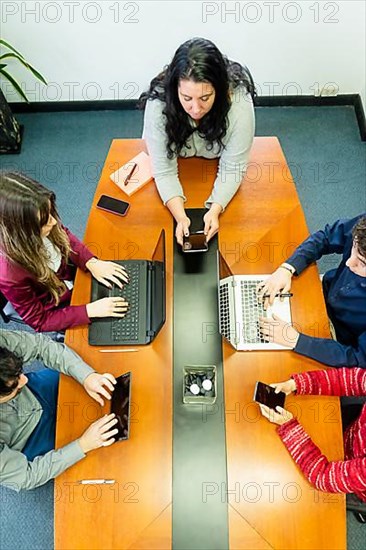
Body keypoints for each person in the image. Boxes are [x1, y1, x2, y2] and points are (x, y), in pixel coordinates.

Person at [140, 37, 256, 245]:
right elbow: (164, 170)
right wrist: (180, 217)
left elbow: (233, 167)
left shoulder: (239, 101)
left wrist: (215, 209)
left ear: (221, 91)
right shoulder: (159, 103)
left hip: (214, 161)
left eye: (205, 98)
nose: (195, 109)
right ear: (175, 90)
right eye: (186, 98)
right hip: (179, 163)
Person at [0, 171, 129, 333]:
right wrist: (89, 311)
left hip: (74, 279)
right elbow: (40, 321)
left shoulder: (44, 222)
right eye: (45, 221)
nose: (54, 222)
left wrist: (91, 262)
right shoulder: (9, 274)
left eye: (51, 213)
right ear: (21, 232)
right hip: (60, 308)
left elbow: (64, 235)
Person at [0, 329, 119, 491]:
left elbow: (41, 346)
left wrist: (86, 376)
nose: (24, 378)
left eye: (19, 372)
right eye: (14, 384)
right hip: (28, 438)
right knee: (99, 462)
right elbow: (26, 477)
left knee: (101, 371)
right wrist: (83, 445)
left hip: (34, 390)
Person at [258, 214, 366, 367]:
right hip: (324, 293)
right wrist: (288, 268)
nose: (349, 262)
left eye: (362, 263)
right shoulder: (363, 230)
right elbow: (327, 237)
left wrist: (297, 340)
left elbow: (356, 359)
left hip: (340, 341)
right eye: (353, 249)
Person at [258, 367, 366, 503]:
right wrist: (296, 384)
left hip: (353, 480)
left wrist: (289, 427)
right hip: (351, 435)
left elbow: (322, 477)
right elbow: (352, 379)